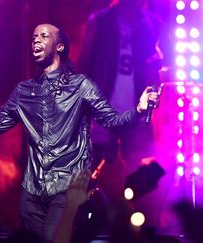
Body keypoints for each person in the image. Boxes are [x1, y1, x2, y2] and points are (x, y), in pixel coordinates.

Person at [0, 23, 159, 242]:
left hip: (66, 189)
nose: (36, 40)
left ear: (60, 47)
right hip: (32, 193)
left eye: (44, 36)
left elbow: (113, 122)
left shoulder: (82, 87)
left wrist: (138, 109)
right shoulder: (24, 91)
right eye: (34, 36)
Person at [78, 0, 171, 225]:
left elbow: (162, 63)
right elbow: (85, 64)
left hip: (137, 114)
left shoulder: (151, 25)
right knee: (91, 173)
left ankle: (138, 226)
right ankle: (89, 226)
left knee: (142, 173)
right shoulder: (101, 22)